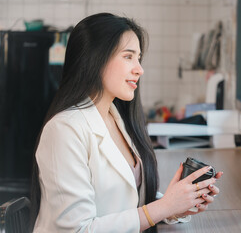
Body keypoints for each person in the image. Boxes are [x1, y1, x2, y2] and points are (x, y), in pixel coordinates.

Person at [30, 12, 222, 233]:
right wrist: (164, 206)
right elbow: (77, 230)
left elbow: (123, 199)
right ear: (95, 59)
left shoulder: (115, 117)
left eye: (138, 58)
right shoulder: (64, 130)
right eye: (128, 56)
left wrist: (177, 205)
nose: (139, 69)